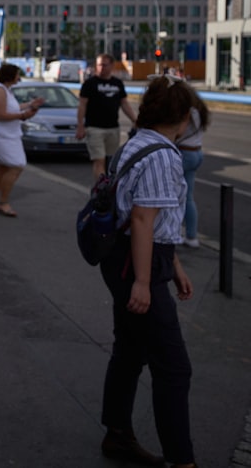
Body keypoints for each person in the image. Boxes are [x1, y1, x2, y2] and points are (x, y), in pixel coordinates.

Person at [98, 75, 199, 468]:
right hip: (137, 264)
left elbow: (148, 218)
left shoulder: (137, 144)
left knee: (130, 350)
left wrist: (173, 264)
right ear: (184, 116)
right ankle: (182, 460)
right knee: (174, 368)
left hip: (128, 257)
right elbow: (142, 219)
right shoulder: (163, 154)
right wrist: (144, 280)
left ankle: (117, 434)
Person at [0, 63, 44, 217]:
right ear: (10, 75)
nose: (19, 77)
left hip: (7, 135)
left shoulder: (5, 90)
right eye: (17, 74)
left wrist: (30, 105)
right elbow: (1, 114)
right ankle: (3, 202)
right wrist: (23, 116)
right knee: (17, 165)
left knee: (3, 169)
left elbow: (11, 108)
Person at [76, 53, 138, 183]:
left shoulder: (117, 83)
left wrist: (134, 119)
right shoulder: (90, 83)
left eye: (104, 65)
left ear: (112, 66)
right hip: (94, 128)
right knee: (99, 160)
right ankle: (102, 188)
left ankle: (108, 185)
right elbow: (82, 105)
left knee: (111, 161)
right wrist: (80, 125)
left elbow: (124, 103)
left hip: (113, 127)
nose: (101, 67)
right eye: (99, 65)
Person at [176, 88, 210, 249]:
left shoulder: (186, 111)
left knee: (173, 197)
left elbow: (178, 132)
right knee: (188, 197)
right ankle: (191, 236)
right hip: (196, 153)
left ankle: (174, 234)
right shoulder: (200, 111)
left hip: (184, 153)